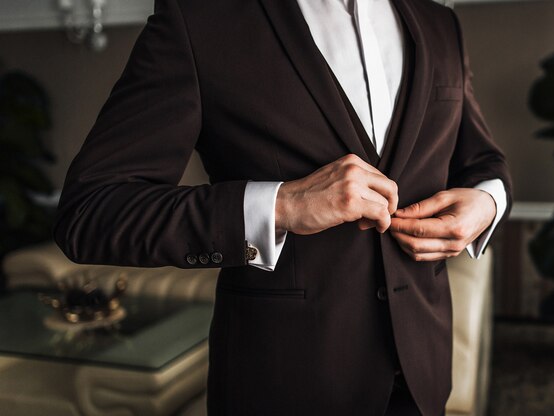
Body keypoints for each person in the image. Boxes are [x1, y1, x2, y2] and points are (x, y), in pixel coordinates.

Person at [54, 0, 512, 415]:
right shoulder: (199, 20)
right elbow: (91, 209)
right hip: (282, 384)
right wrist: (281, 205)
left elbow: (484, 162)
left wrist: (487, 204)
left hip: (421, 374)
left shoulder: (440, 23)